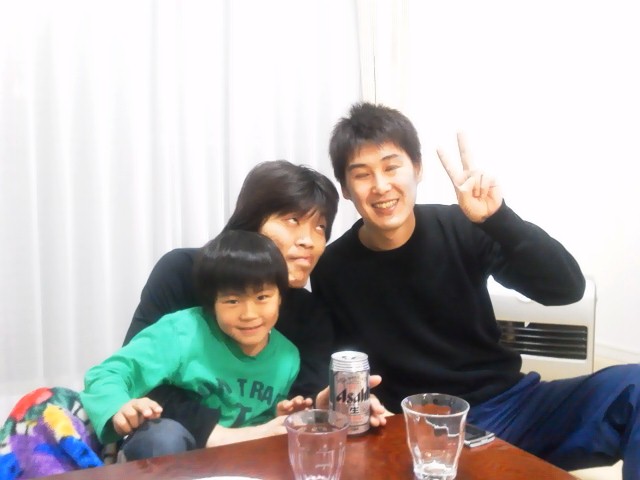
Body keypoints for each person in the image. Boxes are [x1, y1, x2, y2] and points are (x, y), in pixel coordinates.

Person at [311, 102, 640, 478]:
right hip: (414, 427)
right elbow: (334, 367)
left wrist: (499, 219)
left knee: (634, 388)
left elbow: (565, 288)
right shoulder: (332, 268)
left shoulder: (462, 226)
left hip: (511, 407)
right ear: (346, 189)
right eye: (362, 175)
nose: (381, 186)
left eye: (391, 167)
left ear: (417, 168)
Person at [123, 160, 386, 450]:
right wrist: (220, 434)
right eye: (292, 220)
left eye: (320, 227)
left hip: (265, 449)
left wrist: (327, 404)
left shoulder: (310, 312)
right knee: (162, 437)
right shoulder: (183, 272)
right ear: (250, 222)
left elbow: (298, 405)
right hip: (180, 440)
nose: (309, 241)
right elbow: (137, 378)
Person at [80, 230, 309, 460]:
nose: (249, 314)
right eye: (232, 301)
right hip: (178, 453)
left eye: (262, 297)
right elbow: (106, 374)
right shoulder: (182, 332)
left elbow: (260, 427)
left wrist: (277, 415)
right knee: (163, 436)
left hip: (239, 462)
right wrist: (119, 406)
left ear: (280, 297)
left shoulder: (287, 356)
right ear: (212, 303)